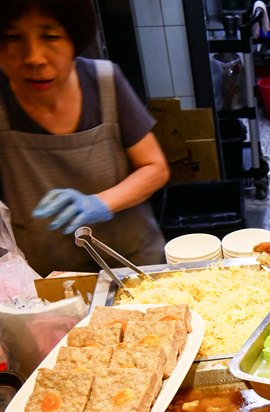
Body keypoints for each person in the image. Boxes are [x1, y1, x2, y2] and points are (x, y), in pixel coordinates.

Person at [0, 0, 170, 277]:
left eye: (50, 36)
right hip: (48, 279)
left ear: (73, 40)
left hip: (132, 264)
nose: (34, 57)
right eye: (12, 37)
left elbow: (155, 169)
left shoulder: (104, 82)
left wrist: (99, 203)